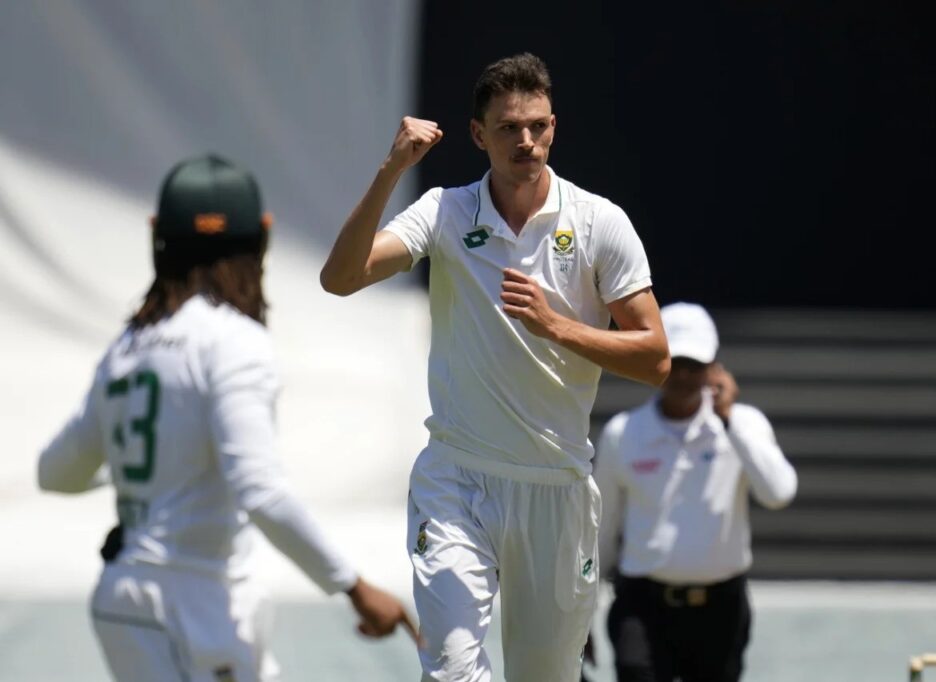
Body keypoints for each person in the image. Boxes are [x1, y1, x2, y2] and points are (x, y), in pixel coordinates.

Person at [320, 52, 671, 681]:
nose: (525, 141)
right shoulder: (444, 211)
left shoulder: (599, 222)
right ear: (479, 135)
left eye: (537, 125)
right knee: (451, 672)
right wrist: (390, 169)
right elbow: (341, 278)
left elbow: (656, 358)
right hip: (457, 480)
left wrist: (556, 326)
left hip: (557, 487)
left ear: (554, 127)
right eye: (508, 128)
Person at [37, 154, 417, 682]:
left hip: (122, 602)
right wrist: (353, 586)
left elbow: (54, 473)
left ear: (157, 234)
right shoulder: (234, 341)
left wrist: (144, 473)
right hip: (198, 606)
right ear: (263, 235)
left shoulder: (127, 345)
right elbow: (260, 490)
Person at [592, 301, 798, 682]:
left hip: (720, 609)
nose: (684, 375)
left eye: (696, 365)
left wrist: (729, 419)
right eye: (677, 363)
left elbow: (778, 492)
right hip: (643, 605)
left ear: (715, 368)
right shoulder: (624, 433)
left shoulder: (743, 425)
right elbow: (601, 529)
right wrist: (582, 612)